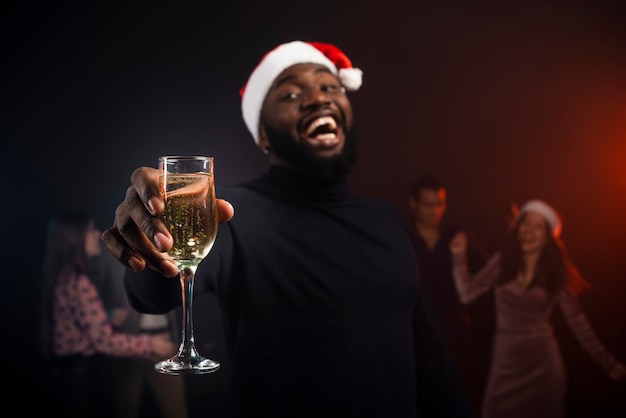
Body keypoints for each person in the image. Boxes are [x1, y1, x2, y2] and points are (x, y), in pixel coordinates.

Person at [102, 40, 475, 417]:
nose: (318, 99)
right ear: (262, 133)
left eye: (330, 87)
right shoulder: (228, 212)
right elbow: (153, 294)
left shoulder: (387, 221)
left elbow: (424, 351)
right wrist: (150, 239)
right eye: (292, 93)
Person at [449, 199, 626, 418]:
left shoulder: (555, 273)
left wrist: (607, 362)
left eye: (538, 225)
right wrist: (459, 257)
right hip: (505, 363)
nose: (529, 230)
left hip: (543, 366)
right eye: (525, 223)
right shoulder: (503, 260)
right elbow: (466, 294)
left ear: (549, 237)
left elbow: (577, 321)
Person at [39, 212, 176, 418]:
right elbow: (103, 341)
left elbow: (79, 323)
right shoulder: (79, 283)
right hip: (80, 381)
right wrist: (151, 345)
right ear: (74, 239)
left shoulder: (67, 278)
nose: (97, 235)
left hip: (70, 375)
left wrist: (105, 315)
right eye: (89, 231)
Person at [408, 174, 491, 411]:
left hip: (456, 339)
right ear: (413, 203)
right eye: (428, 205)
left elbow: (487, 277)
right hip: (414, 339)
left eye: (440, 204)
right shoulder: (402, 237)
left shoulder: (459, 236)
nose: (435, 212)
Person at [88, 249, 189, 418]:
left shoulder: (168, 246)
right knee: (124, 407)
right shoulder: (112, 249)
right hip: (128, 343)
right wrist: (106, 315)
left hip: (165, 344)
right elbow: (92, 291)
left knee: (176, 409)